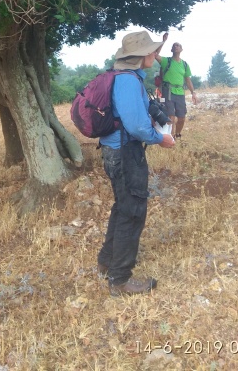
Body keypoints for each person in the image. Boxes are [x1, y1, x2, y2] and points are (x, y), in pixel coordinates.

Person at [97, 31, 175, 296]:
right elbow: (138, 126)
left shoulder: (122, 76)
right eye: (153, 51)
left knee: (123, 207)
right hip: (126, 153)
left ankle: (108, 262)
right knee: (132, 213)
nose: (156, 55)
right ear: (141, 56)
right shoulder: (129, 81)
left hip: (115, 151)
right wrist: (160, 138)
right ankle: (120, 280)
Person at [155, 39, 198, 139]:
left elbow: (188, 80)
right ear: (171, 49)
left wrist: (193, 93)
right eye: (174, 45)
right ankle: (169, 137)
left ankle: (177, 135)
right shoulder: (166, 61)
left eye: (178, 45)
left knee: (182, 118)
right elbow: (155, 55)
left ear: (181, 49)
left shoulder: (185, 64)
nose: (176, 46)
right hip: (168, 90)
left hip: (180, 92)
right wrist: (163, 41)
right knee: (171, 116)